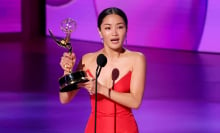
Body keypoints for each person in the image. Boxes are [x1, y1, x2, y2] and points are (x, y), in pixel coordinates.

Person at [59, 7, 146, 133]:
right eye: (108, 28)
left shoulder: (136, 59)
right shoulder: (87, 60)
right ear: (100, 31)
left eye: (120, 27)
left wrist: (102, 89)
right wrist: (67, 71)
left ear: (126, 30)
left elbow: (135, 101)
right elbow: (65, 99)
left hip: (125, 128)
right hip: (95, 128)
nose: (114, 33)